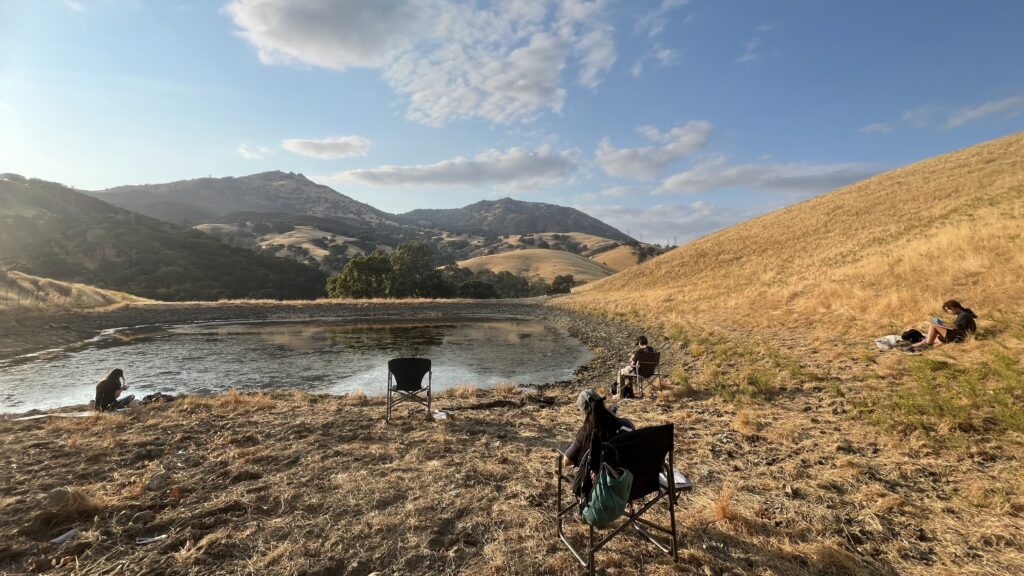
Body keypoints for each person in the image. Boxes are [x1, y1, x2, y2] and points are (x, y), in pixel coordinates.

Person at [562, 389, 635, 469]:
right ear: (602, 403)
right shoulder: (625, 424)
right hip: (627, 474)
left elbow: (566, 461)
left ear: (584, 412)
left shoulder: (585, 434)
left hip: (601, 478)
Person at [912, 300, 978, 349]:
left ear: (953, 307)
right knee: (930, 339)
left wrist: (940, 323)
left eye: (949, 310)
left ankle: (927, 346)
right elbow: (958, 327)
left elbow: (955, 326)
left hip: (960, 338)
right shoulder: (963, 314)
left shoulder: (963, 315)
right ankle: (911, 347)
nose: (948, 312)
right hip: (960, 337)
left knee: (933, 326)